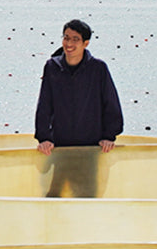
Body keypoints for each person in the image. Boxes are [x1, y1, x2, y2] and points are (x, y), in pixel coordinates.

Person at [34, 19, 123, 196]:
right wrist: (43, 137)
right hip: (59, 146)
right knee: (53, 195)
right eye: (66, 38)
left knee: (87, 195)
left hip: (90, 147)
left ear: (85, 43)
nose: (69, 43)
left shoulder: (98, 68)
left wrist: (109, 136)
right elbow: (44, 104)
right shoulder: (52, 67)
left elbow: (111, 102)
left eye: (75, 39)